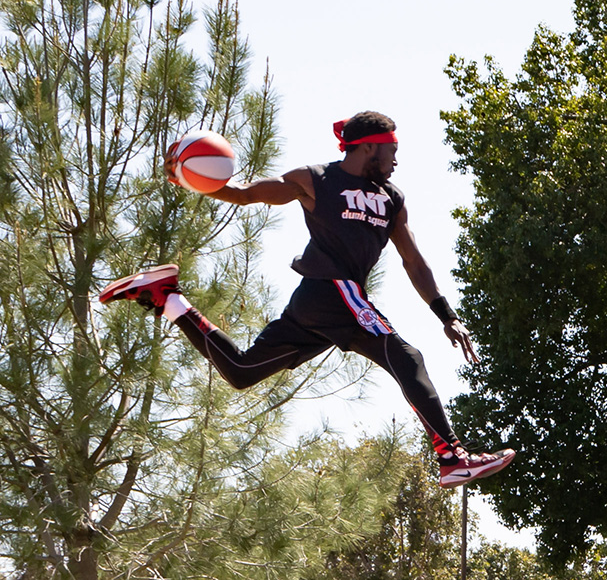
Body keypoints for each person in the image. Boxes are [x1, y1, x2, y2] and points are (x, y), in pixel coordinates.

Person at [99, 111, 515, 488]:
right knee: (406, 357)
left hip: (319, 306)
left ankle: (168, 298)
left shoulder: (392, 198)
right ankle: (452, 457)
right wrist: (188, 177)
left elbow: (414, 262)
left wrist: (446, 315)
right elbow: (245, 194)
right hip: (332, 288)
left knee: (242, 371)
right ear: (369, 145)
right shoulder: (316, 179)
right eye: (392, 150)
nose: (395, 160)